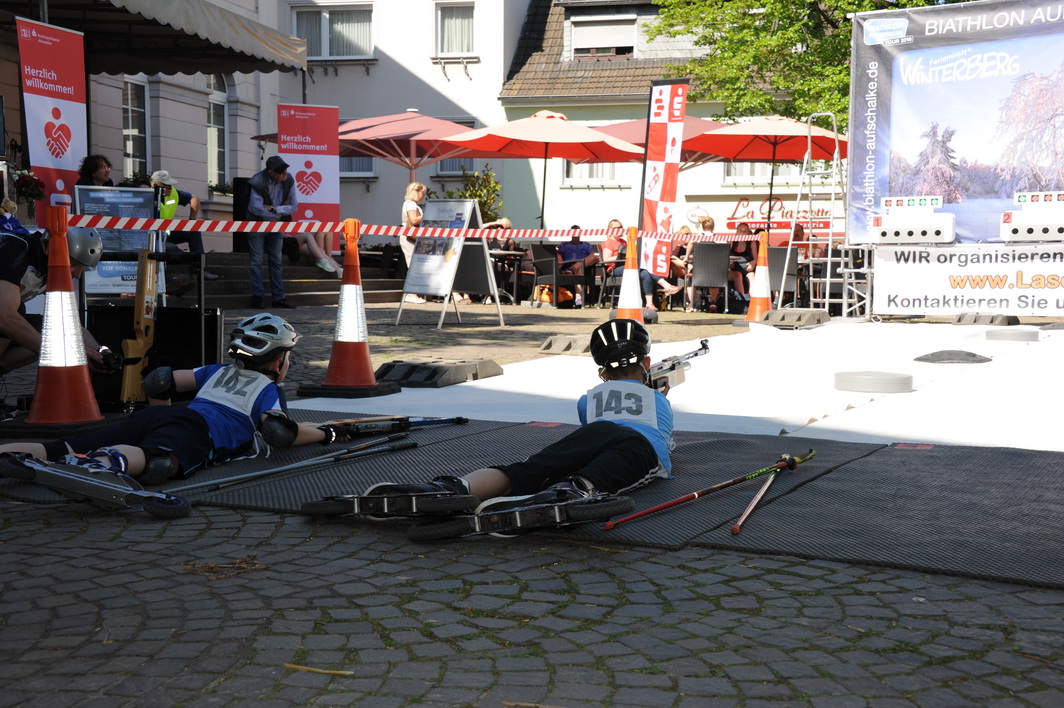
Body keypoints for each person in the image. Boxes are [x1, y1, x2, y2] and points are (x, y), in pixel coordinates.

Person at [359, 319, 673, 539]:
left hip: (596, 432)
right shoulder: (660, 400)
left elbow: (601, 428)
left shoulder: (587, 399)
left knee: (528, 468)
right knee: (596, 476)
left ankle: (451, 488)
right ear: (647, 362)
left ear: (602, 374)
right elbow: (662, 439)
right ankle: (567, 494)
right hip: (640, 448)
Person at [0, 313, 350, 484]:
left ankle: (18, 453)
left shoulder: (216, 370)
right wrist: (325, 433)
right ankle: (98, 467)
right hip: (198, 430)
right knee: (159, 459)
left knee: (70, 442)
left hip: (161, 418)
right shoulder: (268, 389)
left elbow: (160, 381)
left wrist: (159, 418)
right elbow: (279, 433)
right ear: (279, 362)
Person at [0, 215, 116, 396]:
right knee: (16, 313)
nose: (77, 275)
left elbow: (67, 324)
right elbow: (4, 317)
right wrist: (61, 350)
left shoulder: (48, 266)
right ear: (51, 248)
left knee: (51, 331)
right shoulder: (16, 248)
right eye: (75, 265)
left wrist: (97, 351)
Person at [244, 156, 297, 309]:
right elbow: (256, 208)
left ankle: (279, 298)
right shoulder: (257, 182)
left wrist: (273, 209)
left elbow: (294, 206)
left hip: (276, 224)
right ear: (271, 173)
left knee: (276, 260)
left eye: (286, 170)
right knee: (256, 261)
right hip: (257, 223)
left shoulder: (289, 180)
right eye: (281, 172)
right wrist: (281, 211)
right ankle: (258, 297)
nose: (285, 174)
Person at [150, 170, 219, 281]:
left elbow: (194, 199)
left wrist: (191, 221)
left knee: (194, 232)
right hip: (151, 237)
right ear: (155, 185)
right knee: (171, 249)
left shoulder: (174, 193)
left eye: (170, 185)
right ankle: (166, 277)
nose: (170, 188)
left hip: (166, 233)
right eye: (166, 185)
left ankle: (200, 269)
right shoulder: (147, 194)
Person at [600, 221, 681, 311]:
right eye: (616, 228)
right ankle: (666, 287)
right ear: (610, 230)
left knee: (646, 272)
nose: (619, 230)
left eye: (620, 227)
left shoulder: (624, 242)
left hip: (628, 266)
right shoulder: (609, 243)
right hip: (614, 269)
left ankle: (650, 304)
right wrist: (621, 256)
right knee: (645, 269)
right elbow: (606, 260)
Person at [556, 227, 599, 308]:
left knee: (593, 256)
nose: (575, 235)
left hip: (585, 265)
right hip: (568, 264)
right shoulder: (564, 244)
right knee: (580, 267)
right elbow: (558, 255)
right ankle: (579, 297)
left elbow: (592, 257)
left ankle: (573, 269)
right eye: (573, 233)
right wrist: (559, 265)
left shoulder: (586, 245)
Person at [400, 182, 427, 304]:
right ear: (416, 192)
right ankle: (410, 294)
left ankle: (413, 293)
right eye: (422, 192)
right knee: (412, 265)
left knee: (413, 264)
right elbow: (414, 220)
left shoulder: (410, 204)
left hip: (410, 238)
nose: (424, 195)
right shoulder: (411, 204)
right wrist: (427, 215)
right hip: (409, 238)